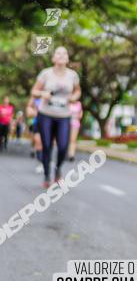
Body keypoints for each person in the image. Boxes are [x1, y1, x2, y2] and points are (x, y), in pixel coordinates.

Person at [31, 46, 81, 187]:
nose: (61, 55)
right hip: (46, 114)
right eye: (58, 53)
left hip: (64, 115)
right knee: (46, 145)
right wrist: (42, 94)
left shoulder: (72, 75)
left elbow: (78, 92)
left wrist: (73, 97)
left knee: (63, 146)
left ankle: (58, 168)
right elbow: (34, 91)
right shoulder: (45, 74)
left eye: (64, 53)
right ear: (53, 58)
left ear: (67, 58)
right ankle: (47, 176)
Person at [26, 96, 43, 171]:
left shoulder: (52, 95)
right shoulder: (35, 98)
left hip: (49, 124)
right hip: (37, 123)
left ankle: (45, 160)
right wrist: (34, 112)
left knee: (46, 143)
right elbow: (28, 111)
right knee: (38, 141)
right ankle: (40, 162)